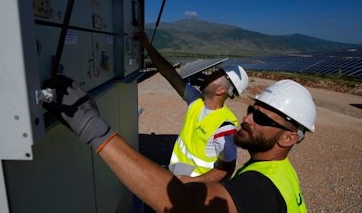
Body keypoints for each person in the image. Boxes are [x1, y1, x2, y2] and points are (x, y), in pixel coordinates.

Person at [43, 76, 316, 213]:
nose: (246, 119)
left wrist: (95, 130)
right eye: (251, 109)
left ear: (289, 137)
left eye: (260, 117)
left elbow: (183, 205)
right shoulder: (281, 174)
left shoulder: (260, 187)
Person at [134, 32, 249, 182]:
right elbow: (170, 74)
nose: (207, 76)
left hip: (195, 190)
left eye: (213, 76)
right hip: (177, 177)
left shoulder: (224, 128)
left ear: (221, 90)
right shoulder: (196, 100)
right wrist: (148, 47)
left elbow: (226, 170)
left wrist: (191, 181)